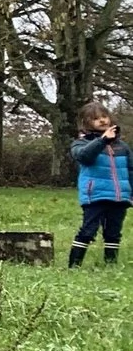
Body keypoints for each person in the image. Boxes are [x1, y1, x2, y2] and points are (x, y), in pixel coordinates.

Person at [69, 100, 129, 268]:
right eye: (96, 118)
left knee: (113, 233)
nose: (102, 120)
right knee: (88, 230)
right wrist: (102, 141)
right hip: (95, 195)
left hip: (119, 196)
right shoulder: (81, 143)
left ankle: (111, 265)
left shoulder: (122, 147)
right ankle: (74, 265)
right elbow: (84, 157)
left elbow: (130, 170)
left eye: (104, 116)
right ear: (86, 123)